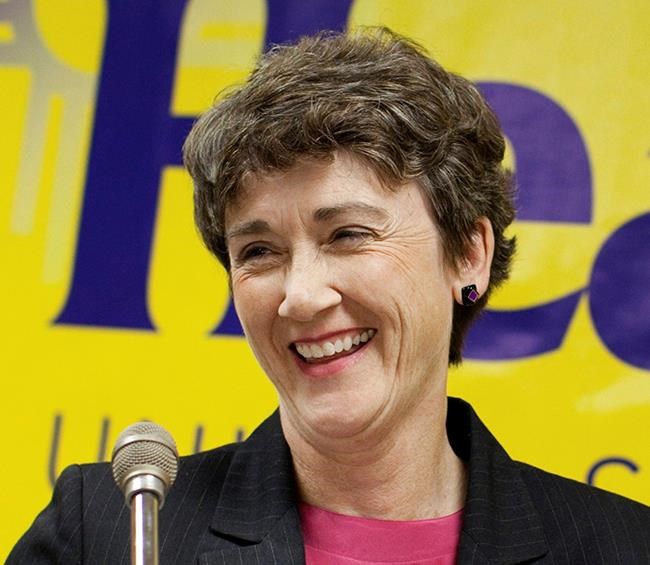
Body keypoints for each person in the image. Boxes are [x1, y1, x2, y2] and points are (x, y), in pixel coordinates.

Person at [9, 27, 649, 564]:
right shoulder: (109, 531)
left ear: (467, 253)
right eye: (259, 252)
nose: (301, 296)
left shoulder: (624, 546)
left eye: (347, 235)